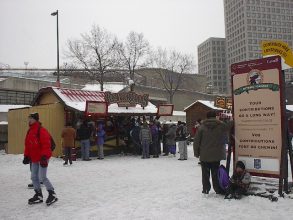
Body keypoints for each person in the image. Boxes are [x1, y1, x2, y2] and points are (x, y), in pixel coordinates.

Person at [193, 110, 232, 195]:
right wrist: (231, 119)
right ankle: (217, 189)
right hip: (216, 155)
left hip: (204, 155)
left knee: (205, 174)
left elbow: (196, 141)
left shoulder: (201, 127)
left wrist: (196, 153)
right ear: (215, 117)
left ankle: (206, 189)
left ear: (206, 117)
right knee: (215, 173)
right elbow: (229, 126)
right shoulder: (220, 125)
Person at [23, 112, 58, 205]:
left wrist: (44, 156)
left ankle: (52, 194)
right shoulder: (29, 131)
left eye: (31, 118)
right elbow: (27, 145)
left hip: (43, 157)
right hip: (34, 158)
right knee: (34, 177)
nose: (29, 120)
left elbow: (46, 145)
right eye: (29, 118)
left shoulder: (41, 130)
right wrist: (26, 155)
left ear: (36, 119)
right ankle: (38, 195)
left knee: (42, 177)